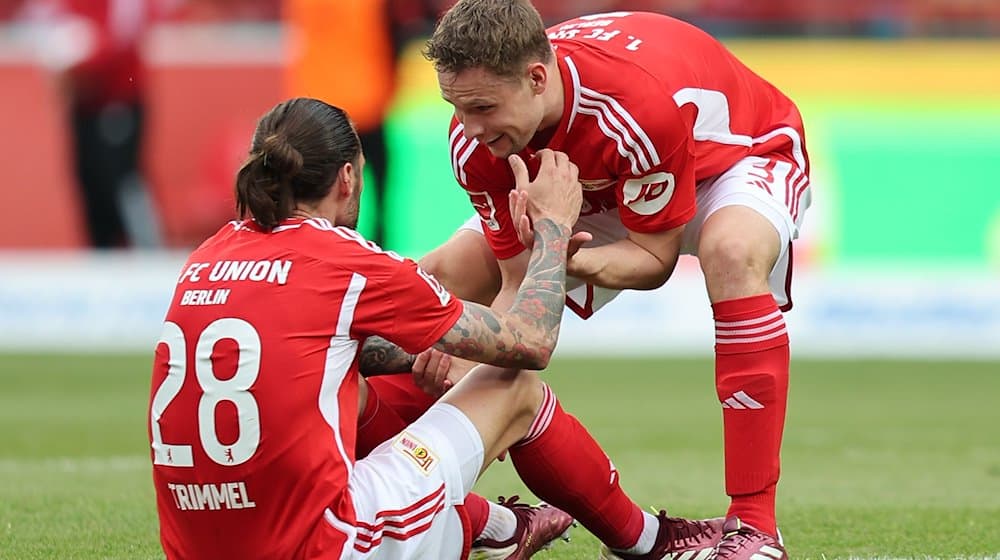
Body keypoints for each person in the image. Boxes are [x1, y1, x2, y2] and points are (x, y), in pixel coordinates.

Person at [147, 97, 722, 560]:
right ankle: (649, 542)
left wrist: (426, 349)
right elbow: (528, 343)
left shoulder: (208, 254)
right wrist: (552, 228)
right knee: (511, 388)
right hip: (327, 546)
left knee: (352, 392)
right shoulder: (347, 261)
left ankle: (496, 527)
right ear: (347, 178)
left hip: (197, 547)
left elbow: (303, 354)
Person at [421, 2, 814, 558]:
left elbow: (655, 260)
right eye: (456, 108)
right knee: (437, 280)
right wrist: (474, 350)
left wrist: (561, 255)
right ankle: (438, 510)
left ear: (537, 78)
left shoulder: (634, 107)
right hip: (596, 188)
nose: (471, 127)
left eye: (483, 106)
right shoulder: (476, 142)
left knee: (731, 252)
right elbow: (516, 287)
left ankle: (754, 525)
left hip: (730, 158)